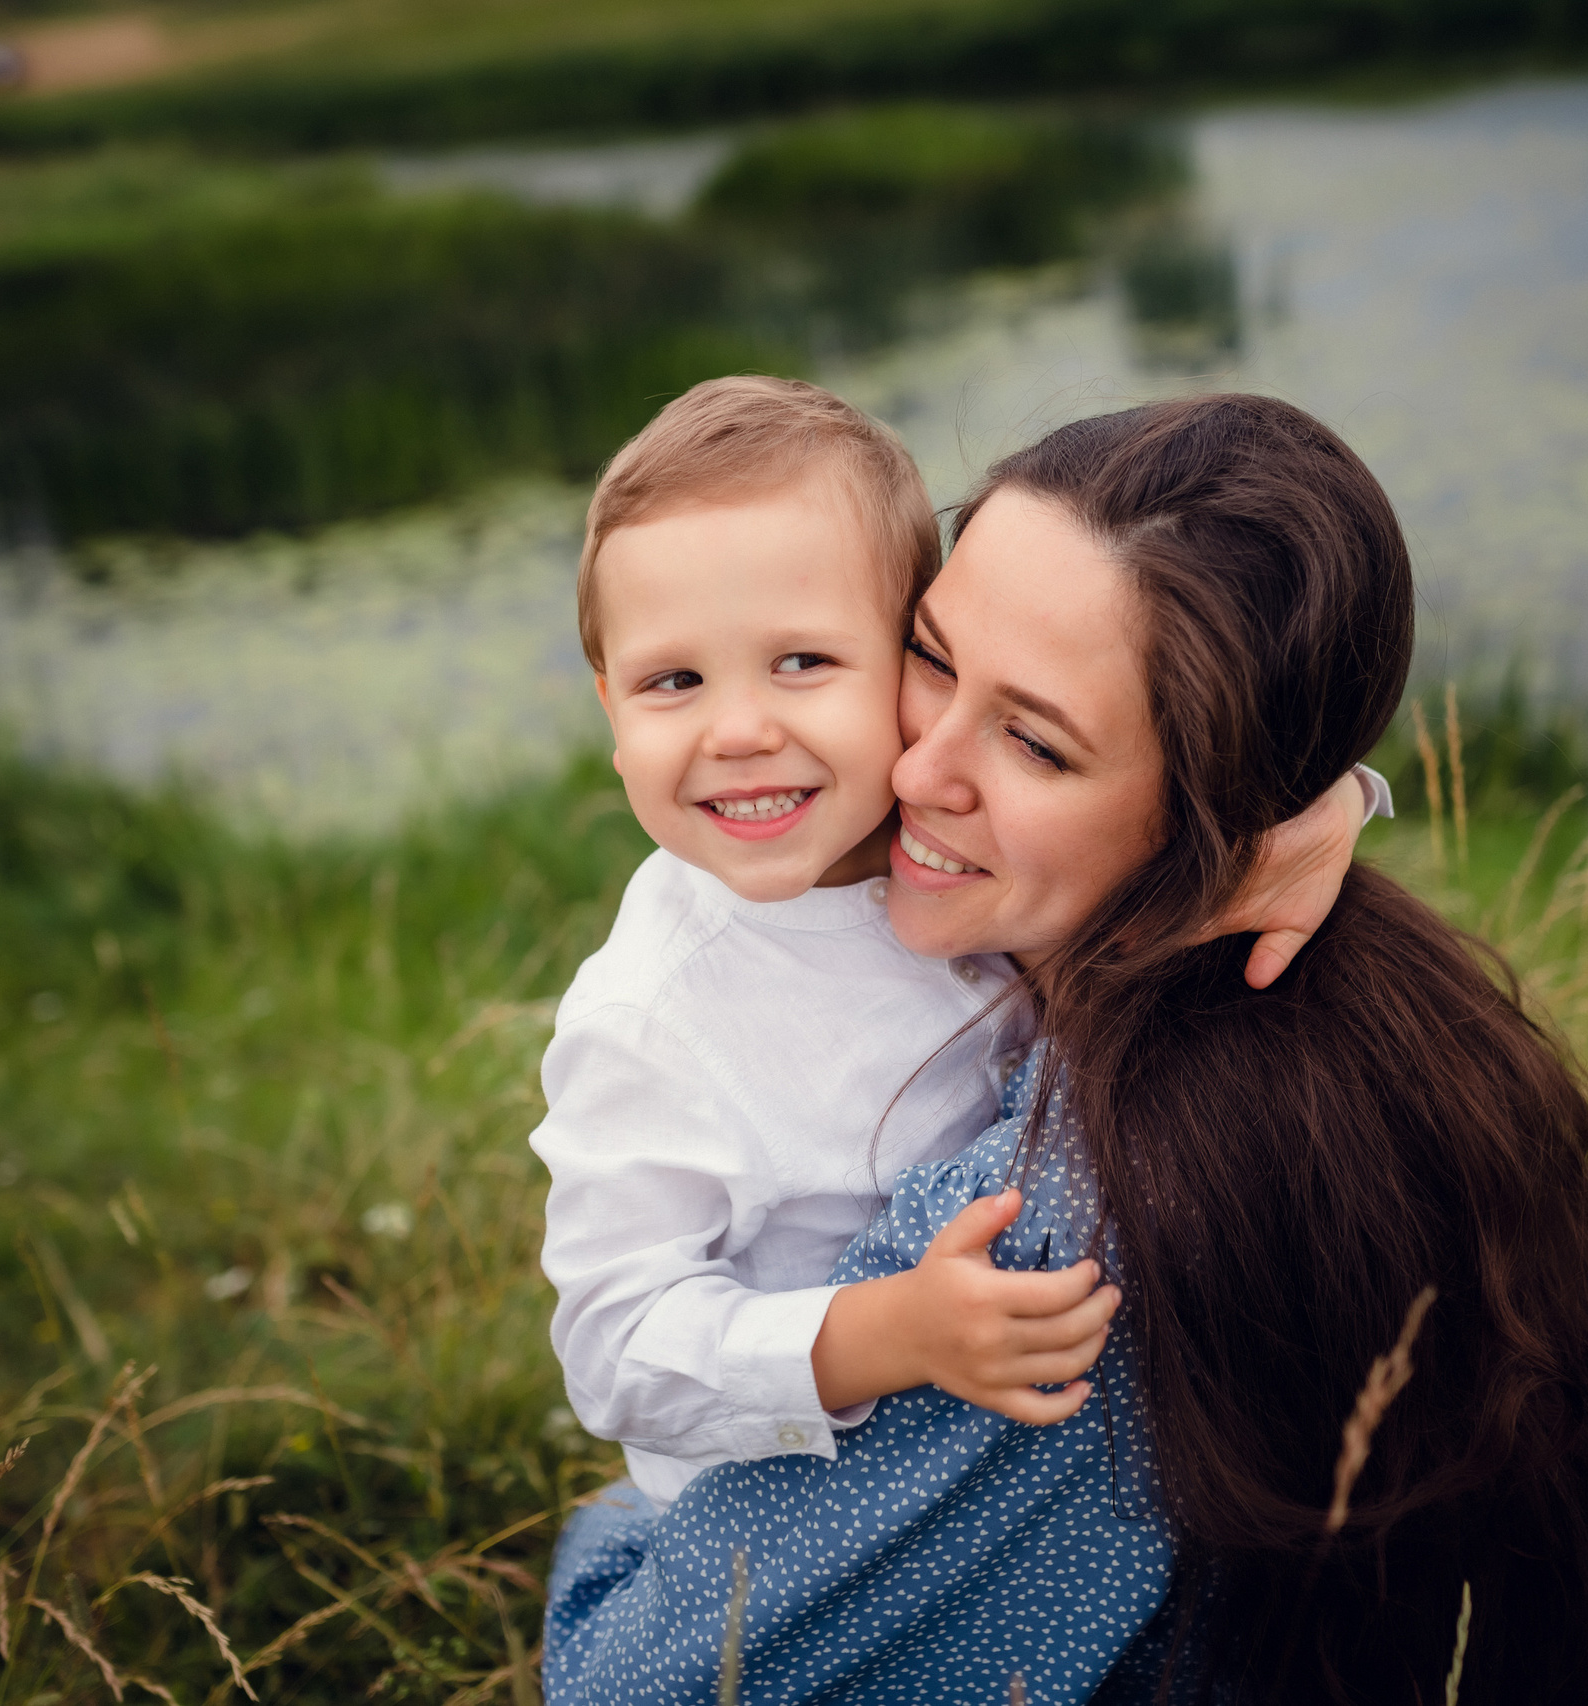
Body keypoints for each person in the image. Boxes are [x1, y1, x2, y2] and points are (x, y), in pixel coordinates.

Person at [544, 393, 1588, 1705]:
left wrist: (1299, 803)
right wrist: (1317, 803)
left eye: (1035, 740)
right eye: (931, 656)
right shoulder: (767, 955)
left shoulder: (1064, 1219)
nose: (915, 774)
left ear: (1200, 805)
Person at [532, 377, 1382, 1514]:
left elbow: (1151, 724)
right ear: (610, 707)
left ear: (891, 650)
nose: (738, 731)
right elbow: (613, 1352)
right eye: (672, 681)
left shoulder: (922, 828)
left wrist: (1322, 805)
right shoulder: (655, 1018)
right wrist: (885, 1332)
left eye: (803, 662)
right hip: (795, 1524)